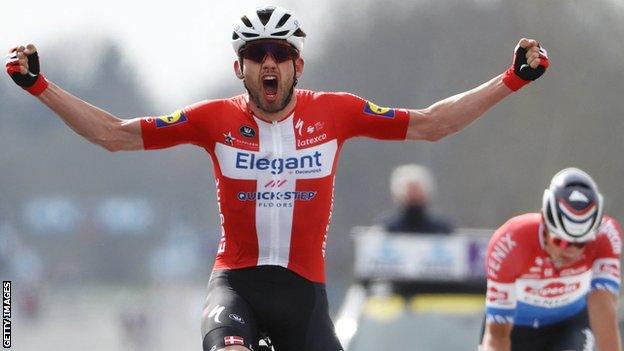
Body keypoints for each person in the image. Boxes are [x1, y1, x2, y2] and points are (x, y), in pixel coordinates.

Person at [5, 5, 549, 351]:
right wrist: (38, 85)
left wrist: (512, 79)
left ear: (297, 65)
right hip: (236, 285)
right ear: (239, 68)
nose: (269, 63)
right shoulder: (211, 120)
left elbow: (434, 124)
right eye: (256, 55)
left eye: (280, 54)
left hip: (304, 294)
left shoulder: (337, 111)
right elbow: (115, 134)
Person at [480, 168, 622, 351]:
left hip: (568, 325)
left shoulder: (606, 236)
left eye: (581, 244)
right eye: (560, 241)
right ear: (545, 224)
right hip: (514, 328)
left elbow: (603, 311)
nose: (571, 251)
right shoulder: (510, 242)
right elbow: (497, 335)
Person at [378, 163, 453, 234]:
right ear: (396, 194)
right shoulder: (386, 228)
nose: (413, 194)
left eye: (417, 190)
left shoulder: (442, 229)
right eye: (409, 190)